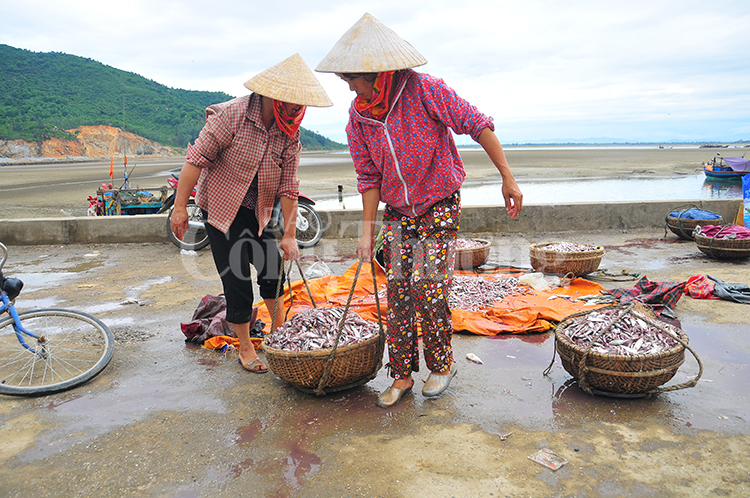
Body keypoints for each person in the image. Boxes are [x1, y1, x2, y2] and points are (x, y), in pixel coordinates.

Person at [316, 14, 523, 407]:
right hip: (397, 211)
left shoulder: (424, 89)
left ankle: (441, 366)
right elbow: (368, 178)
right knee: (398, 292)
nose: (350, 88)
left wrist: (507, 178)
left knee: (428, 288)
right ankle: (401, 375)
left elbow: (477, 125)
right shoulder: (359, 117)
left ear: (376, 74)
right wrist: (365, 233)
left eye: (352, 79)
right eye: (345, 81)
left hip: (439, 204)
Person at [171, 54, 332, 373]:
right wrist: (179, 208)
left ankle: (281, 335)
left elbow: (289, 185)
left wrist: (288, 235)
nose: (298, 109)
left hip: (258, 210)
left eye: (302, 104)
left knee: (272, 270)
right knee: (237, 281)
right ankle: (246, 347)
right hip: (220, 206)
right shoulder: (232, 115)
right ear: (275, 95)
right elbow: (196, 160)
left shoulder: (290, 132)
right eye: (293, 102)